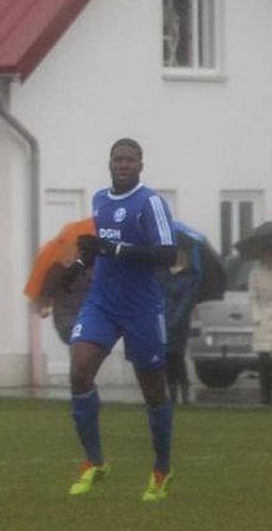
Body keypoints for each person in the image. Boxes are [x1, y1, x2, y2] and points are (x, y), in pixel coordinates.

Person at [60, 138, 177, 501]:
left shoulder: (151, 202)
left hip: (142, 307)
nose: (123, 165)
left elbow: (167, 254)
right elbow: (103, 248)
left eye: (129, 160)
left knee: (153, 390)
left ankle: (161, 470)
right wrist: (80, 264)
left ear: (141, 165)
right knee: (79, 370)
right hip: (103, 303)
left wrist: (116, 249)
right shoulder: (100, 200)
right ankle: (94, 463)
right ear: (109, 164)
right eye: (117, 159)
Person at [158, 245, 201, 405]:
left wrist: (175, 321)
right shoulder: (163, 274)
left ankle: (181, 390)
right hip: (163, 321)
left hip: (178, 324)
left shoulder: (189, 277)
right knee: (169, 357)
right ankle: (175, 391)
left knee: (175, 356)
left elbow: (186, 301)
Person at [249, 246, 272, 406]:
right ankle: (264, 397)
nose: (271, 255)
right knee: (264, 361)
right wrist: (257, 318)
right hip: (263, 318)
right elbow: (253, 297)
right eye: (268, 253)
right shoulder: (256, 273)